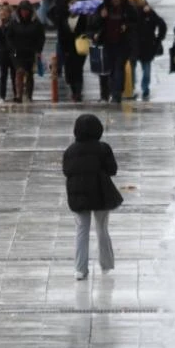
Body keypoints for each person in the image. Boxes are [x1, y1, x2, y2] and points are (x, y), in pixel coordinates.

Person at [63, 114, 122, 281]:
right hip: (100, 193)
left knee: (82, 229)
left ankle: (80, 269)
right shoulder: (103, 148)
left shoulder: (70, 151)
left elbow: (66, 171)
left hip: (78, 194)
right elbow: (112, 170)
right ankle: (106, 264)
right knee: (102, 228)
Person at [92, 0, 138, 103]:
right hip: (107, 43)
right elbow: (93, 24)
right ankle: (110, 92)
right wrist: (101, 17)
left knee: (119, 68)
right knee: (110, 69)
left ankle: (117, 94)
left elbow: (136, 23)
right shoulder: (103, 7)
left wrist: (126, 26)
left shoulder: (127, 8)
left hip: (122, 44)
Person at [127, 0, 167, 100]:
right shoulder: (147, 12)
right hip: (144, 45)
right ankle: (143, 88)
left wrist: (158, 38)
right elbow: (162, 24)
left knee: (135, 67)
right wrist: (158, 38)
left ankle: (135, 87)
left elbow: (161, 24)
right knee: (144, 67)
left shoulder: (141, 13)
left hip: (138, 45)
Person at [6, 0, 46, 103]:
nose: (24, 13)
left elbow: (41, 37)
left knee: (29, 73)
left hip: (30, 52)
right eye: (23, 11)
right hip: (17, 52)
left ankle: (29, 95)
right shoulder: (14, 22)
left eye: (26, 11)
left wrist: (38, 50)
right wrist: (12, 47)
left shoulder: (36, 23)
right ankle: (19, 95)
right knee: (19, 71)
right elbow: (9, 36)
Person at [56, 0, 89, 102]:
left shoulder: (83, 18)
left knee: (78, 70)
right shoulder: (64, 18)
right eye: (71, 4)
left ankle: (78, 93)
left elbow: (87, 30)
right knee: (69, 71)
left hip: (79, 47)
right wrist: (63, 48)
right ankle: (74, 91)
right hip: (67, 48)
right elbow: (61, 34)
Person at [0, 3, 17, 103]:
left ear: (9, 13)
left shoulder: (14, 23)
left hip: (13, 51)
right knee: (3, 75)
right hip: (2, 53)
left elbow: (12, 36)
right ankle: (2, 96)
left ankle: (16, 94)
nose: (2, 15)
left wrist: (6, 28)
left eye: (5, 12)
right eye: (1, 13)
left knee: (14, 74)